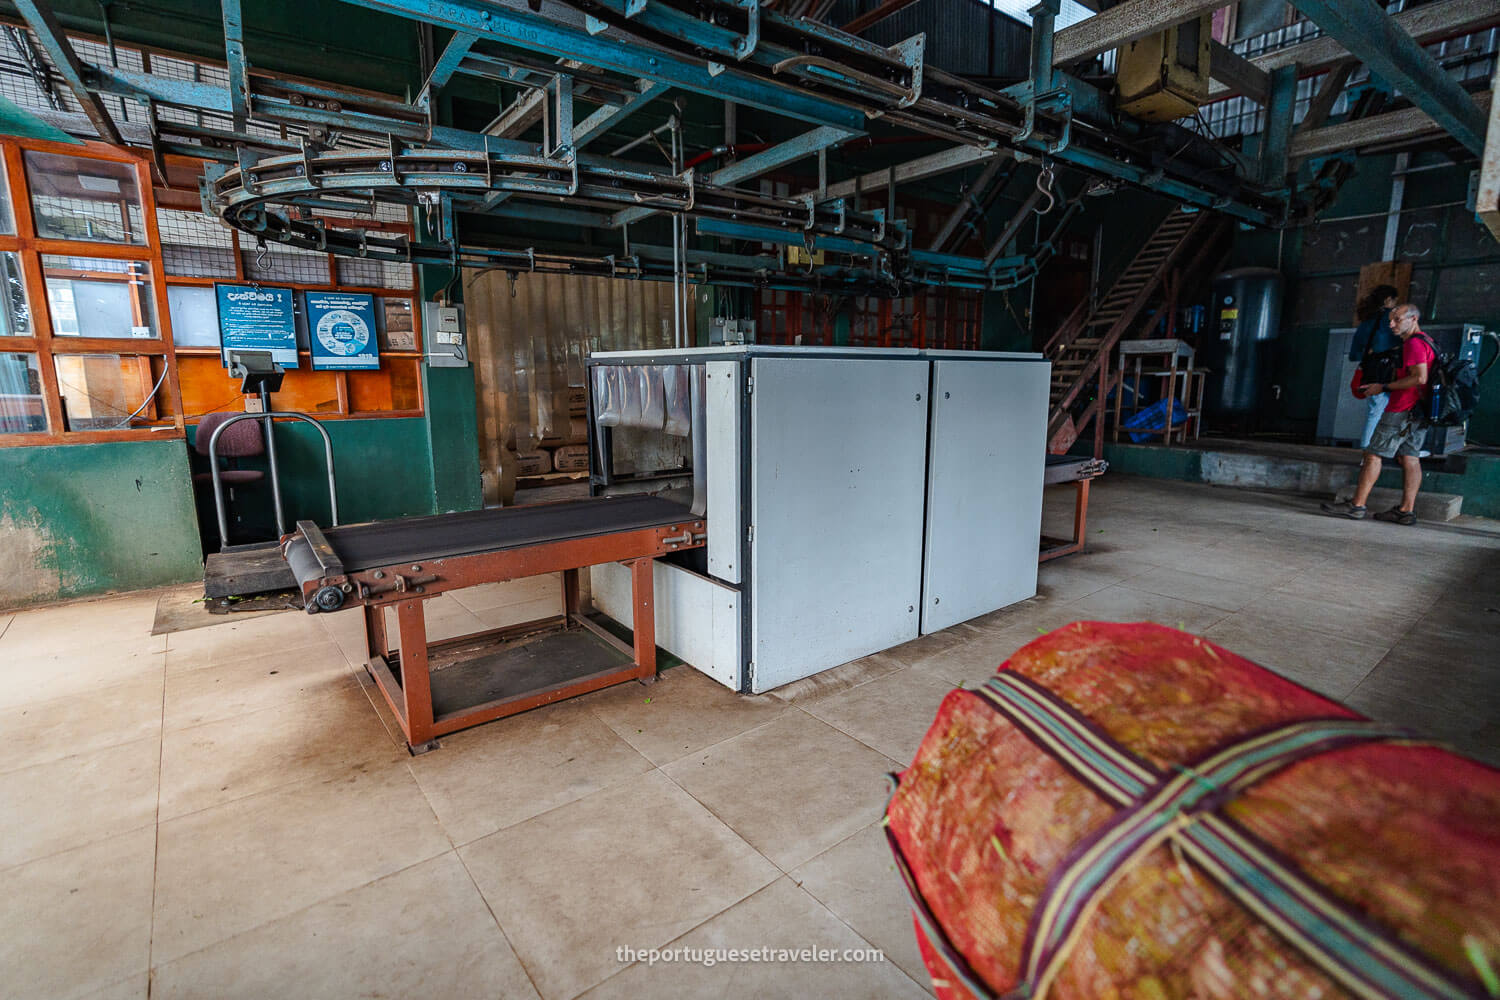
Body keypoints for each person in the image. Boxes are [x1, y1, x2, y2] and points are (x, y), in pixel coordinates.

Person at [1322, 303, 1435, 524]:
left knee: (1373, 454)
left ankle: (1357, 506)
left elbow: (1419, 377)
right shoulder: (1428, 341)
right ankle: (1405, 510)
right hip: (1420, 410)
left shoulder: (1413, 344)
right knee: (1410, 457)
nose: (1391, 324)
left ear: (1413, 319)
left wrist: (1383, 387)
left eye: (1397, 320)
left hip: (1402, 407)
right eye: (1391, 319)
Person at [1349, 284, 1400, 449]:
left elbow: (1356, 351)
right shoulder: (1387, 319)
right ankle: (1369, 448)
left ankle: (1367, 446)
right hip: (1384, 370)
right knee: (1380, 411)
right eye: (1394, 300)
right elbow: (1388, 341)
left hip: (1369, 368)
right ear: (1387, 300)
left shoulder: (1367, 319)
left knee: (1374, 409)